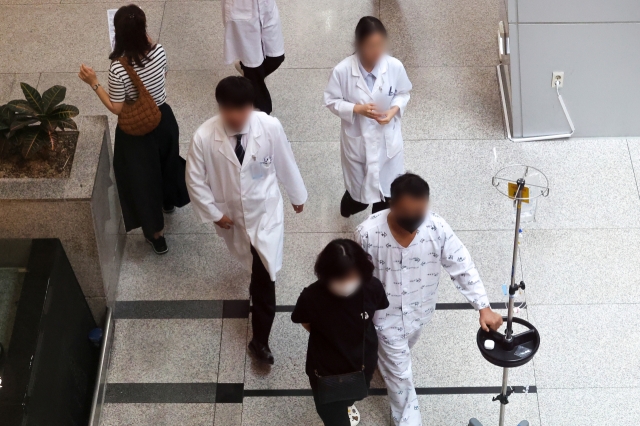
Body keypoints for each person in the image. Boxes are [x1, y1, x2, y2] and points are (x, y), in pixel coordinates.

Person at [354, 173, 504, 426]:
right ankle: (406, 420)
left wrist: (484, 307)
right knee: (401, 376)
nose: (414, 220)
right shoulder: (368, 234)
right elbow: (356, 279)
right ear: (391, 204)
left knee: (400, 357)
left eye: (420, 212)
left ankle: (387, 363)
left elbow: (461, 265)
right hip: (385, 320)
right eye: (407, 213)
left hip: (419, 313)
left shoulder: (437, 228)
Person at [186, 76, 307, 365]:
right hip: (234, 217)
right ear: (220, 107)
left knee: (266, 275)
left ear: (251, 106)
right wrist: (214, 214)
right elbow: (194, 180)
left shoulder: (269, 126)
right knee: (256, 266)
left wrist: (296, 194)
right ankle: (258, 293)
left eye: (242, 110)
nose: (237, 117)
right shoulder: (203, 137)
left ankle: (260, 342)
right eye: (229, 110)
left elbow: (284, 160)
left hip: (266, 214)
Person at [78, 4, 189, 255]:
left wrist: (93, 82)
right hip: (164, 119)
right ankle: (169, 202)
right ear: (143, 29)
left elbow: (117, 108)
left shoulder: (119, 68)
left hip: (137, 133)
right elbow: (163, 76)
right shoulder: (159, 51)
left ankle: (157, 236)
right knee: (167, 162)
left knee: (143, 180)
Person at [292, 239, 389, 426]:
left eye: (352, 277)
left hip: (362, 359)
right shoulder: (311, 296)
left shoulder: (372, 287)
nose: (346, 283)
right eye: (340, 278)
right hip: (325, 368)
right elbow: (304, 321)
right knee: (330, 412)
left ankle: (347, 403)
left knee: (353, 393)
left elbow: (376, 313)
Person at [324, 17, 412, 218]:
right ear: (359, 45)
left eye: (380, 45)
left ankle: (376, 233)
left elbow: (403, 92)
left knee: (387, 198)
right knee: (359, 198)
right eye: (371, 46)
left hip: (388, 145)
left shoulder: (394, 66)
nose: (377, 51)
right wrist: (356, 108)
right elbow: (330, 100)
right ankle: (349, 204)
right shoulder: (342, 71)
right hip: (359, 145)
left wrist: (393, 111)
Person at [223, 0, 285, 114]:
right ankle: (264, 111)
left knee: (276, 58)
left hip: (266, 8)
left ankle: (245, 69)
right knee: (254, 67)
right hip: (242, 12)